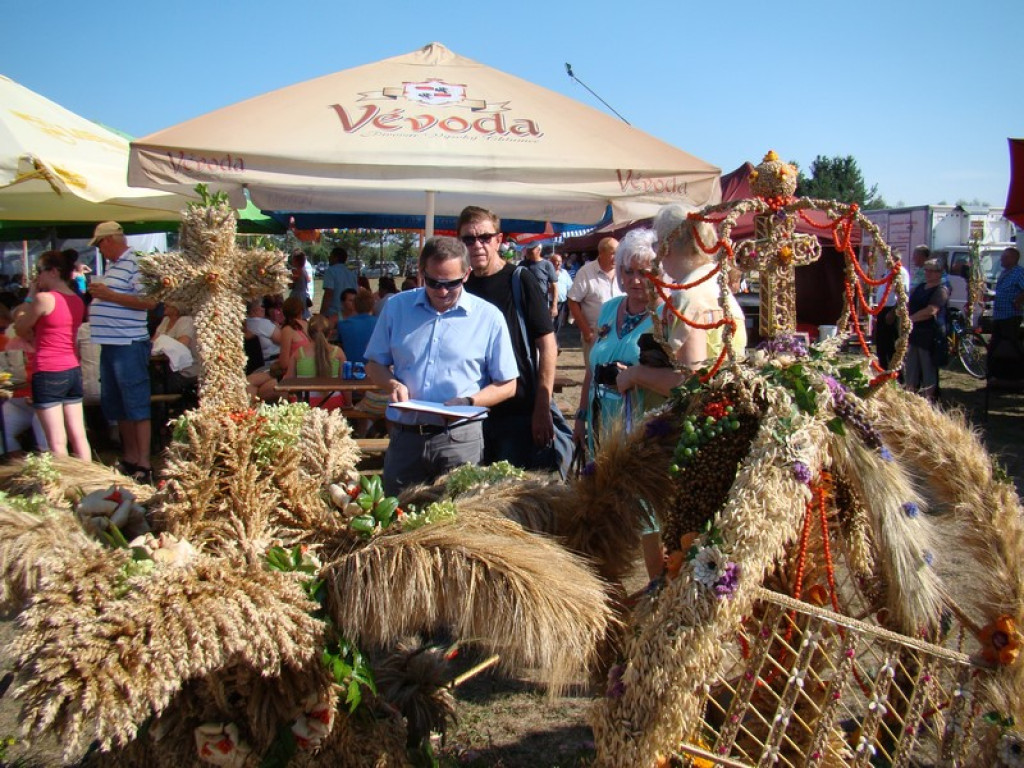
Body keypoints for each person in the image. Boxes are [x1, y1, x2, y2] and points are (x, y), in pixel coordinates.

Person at [365, 236, 518, 496]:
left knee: (458, 523)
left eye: (452, 283)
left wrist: (470, 402)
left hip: (460, 439)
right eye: (434, 282)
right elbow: (373, 364)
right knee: (398, 521)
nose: (442, 291)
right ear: (421, 272)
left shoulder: (488, 317)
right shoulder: (396, 307)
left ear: (467, 274)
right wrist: (391, 383)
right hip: (406, 438)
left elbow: (508, 384)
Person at [572, 230, 663, 579]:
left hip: (640, 424)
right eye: (628, 271)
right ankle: (609, 584)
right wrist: (580, 417)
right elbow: (593, 367)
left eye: (645, 272)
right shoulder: (610, 308)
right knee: (604, 503)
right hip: (601, 421)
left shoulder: (664, 316)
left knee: (645, 512)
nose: (636, 280)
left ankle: (656, 582)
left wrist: (635, 374)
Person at [610, 206, 747, 398]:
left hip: (693, 418)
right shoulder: (714, 285)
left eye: (657, 244)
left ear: (668, 246)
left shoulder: (688, 296)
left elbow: (690, 384)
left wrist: (634, 374)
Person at [460, 206, 559, 470]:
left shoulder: (519, 279)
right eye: (469, 239)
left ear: (499, 240)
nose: (477, 245)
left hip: (516, 411)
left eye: (484, 238)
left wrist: (542, 405)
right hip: (471, 412)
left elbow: (548, 345)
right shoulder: (459, 287)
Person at [87, 221, 157, 482]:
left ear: (108, 241)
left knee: (135, 403)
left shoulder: (136, 262)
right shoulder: (113, 265)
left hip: (129, 343)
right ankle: (130, 457)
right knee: (120, 406)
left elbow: (149, 301)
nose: (100, 250)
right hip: (112, 343)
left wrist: (109, 296)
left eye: (99, 244)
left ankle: (144, 461)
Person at [14, 250, 90, 460]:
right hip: (72, 368)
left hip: (48, 370)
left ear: (54, 271)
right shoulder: (76, 299)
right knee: (79, 436)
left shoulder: (43, 299)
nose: (38, 277)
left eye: (40, 271)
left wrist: (29, 297)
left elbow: (20, 327)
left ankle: (65, 490)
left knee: (56, 442)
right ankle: (89, 482)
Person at [568, 238, 622, 367]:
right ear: (601, 253)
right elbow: (572, 301)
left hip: (620, 335)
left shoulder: (623, 271)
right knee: (594, 375)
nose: (617, 257)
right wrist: (586, 332)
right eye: (613, 253)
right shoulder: (586, 272)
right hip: (596, 335)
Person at [247, 296, 310, 401]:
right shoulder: (308, 326)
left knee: (250, 384)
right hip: (303, 372)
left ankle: (250, 413)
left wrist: (273, 367)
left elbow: (284, 364)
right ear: (301, 311)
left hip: (292, 375)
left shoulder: (288, 330)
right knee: (256, 382)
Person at [904, 259, 948, 400]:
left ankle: (928, 401)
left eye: (932, 270)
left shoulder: (941, 290)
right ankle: (910, 397)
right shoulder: (920, 288)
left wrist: (910, 319)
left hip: (930, 335)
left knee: (927, 369)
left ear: (940, 273)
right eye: (926, 270)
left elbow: (931, 310)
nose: (928, 273)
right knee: (911, 368)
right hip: (915, 333)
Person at [988, 246, 1024, 381]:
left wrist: (1017, 301)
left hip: (1010, 316)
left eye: (1005, 257)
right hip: (999, 316)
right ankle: (996, 375)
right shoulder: (1004, 272)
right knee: (995, 346)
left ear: (1014, 259)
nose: (1002, 259)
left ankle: (1016, 375)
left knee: (1011, 346)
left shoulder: (1018, 273)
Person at [872, 255, 911, 371]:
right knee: (881, 344)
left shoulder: (900, 272)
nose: (886, 262)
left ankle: (897, 374)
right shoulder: (887, 272)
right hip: (882, 309)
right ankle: (884, 370)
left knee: (892, 345)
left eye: (889, 259)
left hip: (892, 310)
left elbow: (903, 295)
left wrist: (894, 312)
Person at [151, 302, 200, 395]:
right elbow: (153, 343)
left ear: (177, 308)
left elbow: (181, 346)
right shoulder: (165, 320)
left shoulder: (186, 321)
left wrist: (162, 345)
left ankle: (161, 407)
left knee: (154, 388)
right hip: (165, 368)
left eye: (168, 304)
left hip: (184, 371)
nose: (164, 305)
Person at [337, 288, 377, 363]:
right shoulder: (379, 323)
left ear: (354, 305)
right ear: (372, 306)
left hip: (352, 368)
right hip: (375, 368)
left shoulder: (343, 325)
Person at [520, 244, 559, 321]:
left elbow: (554, 286)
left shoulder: (547, 264)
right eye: (528, 249)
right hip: (525, 302)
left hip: (541, 302)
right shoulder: (522, 264)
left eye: (531, 249)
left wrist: (554, 306)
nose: (528, 251)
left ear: (539, 250)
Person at [320, 246, 358, 322]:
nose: (329, 258)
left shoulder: (331, 271)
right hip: (349, 313)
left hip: (334, 313)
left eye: (330, 256)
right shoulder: (351, 273)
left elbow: (328, 294)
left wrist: (322, 314)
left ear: (335, 258)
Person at [245, 298, 281, 364]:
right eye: (261, 306)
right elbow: (282, 340)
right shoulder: (261, 323)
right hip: (273, 360)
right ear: (254, 310)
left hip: (259, 361)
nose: (264, 309)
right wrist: (278, 327)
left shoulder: (246, 323)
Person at [551, 253, 572, 336]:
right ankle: (553, 344)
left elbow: (570, 286)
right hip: (550, 302)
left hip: (562, 302)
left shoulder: (564, 273)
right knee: (550, 325)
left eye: (560, 261)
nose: (559, 263)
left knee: (558, 324)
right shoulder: (547, 273)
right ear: (551, 262)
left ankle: (555, 343)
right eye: (556, 261)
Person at [289, 250, 311, 318]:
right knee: (303, 313)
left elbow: (291, 285)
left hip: (297, 295)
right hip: (304, 295)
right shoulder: (304, 270)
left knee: (296, 313)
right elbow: (308, 280)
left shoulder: (295, 271)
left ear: (296, 260)